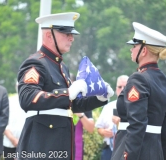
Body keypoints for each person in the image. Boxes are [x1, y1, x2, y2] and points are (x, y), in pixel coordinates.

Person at [16, 12, 114, 160]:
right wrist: (67, 92)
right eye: (66, 33)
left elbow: (73, 104)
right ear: (49, 35)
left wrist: (100, 97)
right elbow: (27, 97)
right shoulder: (36, 63)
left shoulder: (62, 66)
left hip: (60, 145)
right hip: (41, 145)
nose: (71, 38)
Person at [111, 22, 166, 160]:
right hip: (155, 152)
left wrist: (127, 156)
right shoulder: (164, 80)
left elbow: (137, 123)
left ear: (144, 51)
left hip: (135, 152)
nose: (131, 50)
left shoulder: (138, 79)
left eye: (134, 46)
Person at [95, 75, 129, 160]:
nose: (122, 89)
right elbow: (99, 127)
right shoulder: (108, 107)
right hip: (109, 149)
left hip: (126, 148)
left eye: (125, 87)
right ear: (116, 89)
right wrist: (104, 132)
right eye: (119, 87)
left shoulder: (134, 107)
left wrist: (120, 123)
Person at [70, 73, 95, 160]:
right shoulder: (57, 101)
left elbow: (91, 128)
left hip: (79, 150)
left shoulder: (82, 102)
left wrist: (80, 114)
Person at [3, 82, 26, 160]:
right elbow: (2, 122)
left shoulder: (35, 103)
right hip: (9, 144)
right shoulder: (8, 101)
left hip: (28, 145)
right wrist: (13, 139)